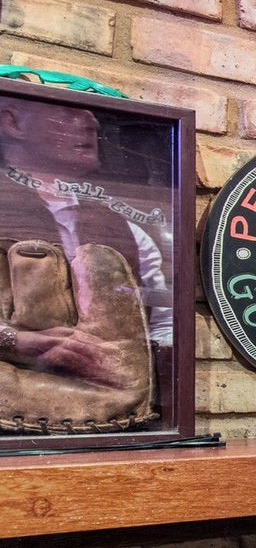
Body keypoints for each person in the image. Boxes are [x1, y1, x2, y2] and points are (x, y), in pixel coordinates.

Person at [0, 97, 174, 382]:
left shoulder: (127, 231)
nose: (91, 121)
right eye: (68, 110)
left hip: (110, 399)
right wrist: (12, 341)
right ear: (13, 122)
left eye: (90, 113)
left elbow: (161, 324)